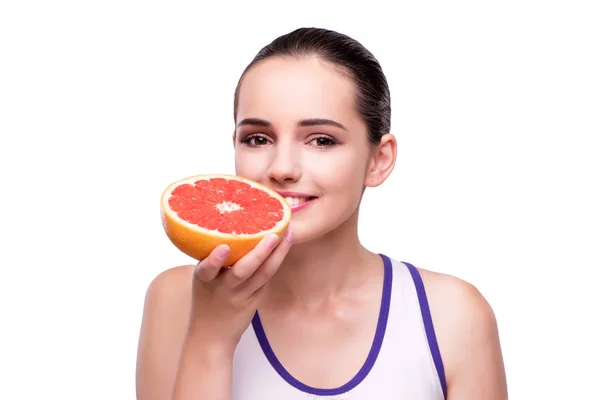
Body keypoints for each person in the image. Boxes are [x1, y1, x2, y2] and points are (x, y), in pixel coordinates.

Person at [135, 27, 508, 400]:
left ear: (379, 160)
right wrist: (210, 340)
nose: (282, 168)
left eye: (321, 140)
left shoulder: (452, 316)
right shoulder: (178, 300)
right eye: (258, 139)